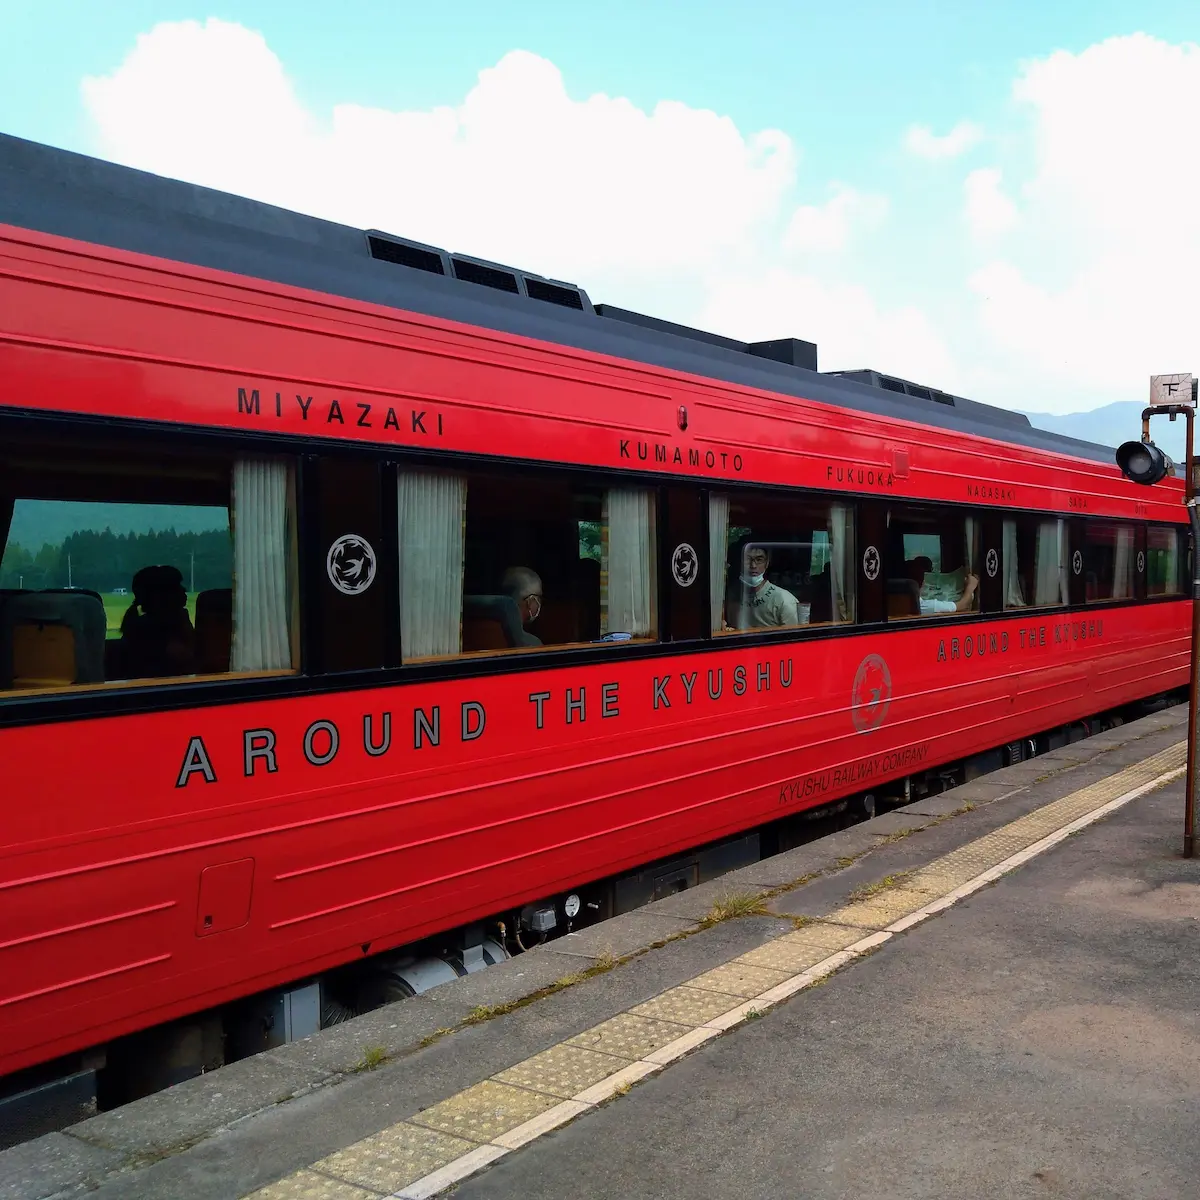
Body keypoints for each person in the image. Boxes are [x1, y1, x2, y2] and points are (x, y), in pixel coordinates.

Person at [736, 544, 799, 629]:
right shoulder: (731, 595)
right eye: (747, 559)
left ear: (767, 563)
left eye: (759, 560)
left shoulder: (784, 599)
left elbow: (790, 635)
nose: (753, 565)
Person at [906, 556, 979, 614]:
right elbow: (962, 605)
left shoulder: (903, 605)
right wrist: (970, 587)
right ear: (922, 583)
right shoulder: (925, 606)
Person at [500, 566, 544, 647]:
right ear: (530, 600)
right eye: (538, 597)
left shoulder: (487, 629)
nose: (539, 602)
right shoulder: (532, 644)